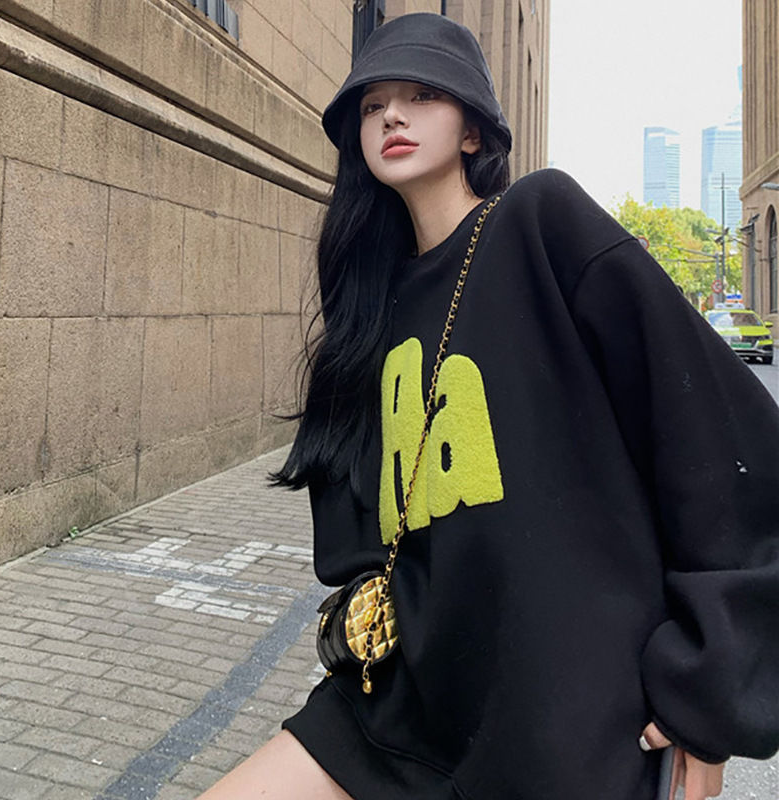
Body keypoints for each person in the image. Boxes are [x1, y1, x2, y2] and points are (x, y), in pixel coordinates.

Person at [196, 12, 779, 800]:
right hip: (402, 708)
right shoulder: (371, 302)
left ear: (472, 130)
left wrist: (709, 695)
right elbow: (356, 513)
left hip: (564, 729)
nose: (392, 116)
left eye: (422, 95)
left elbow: (722, 446)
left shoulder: (541, 226)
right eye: (373, 105)